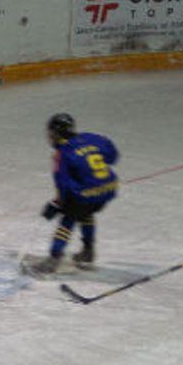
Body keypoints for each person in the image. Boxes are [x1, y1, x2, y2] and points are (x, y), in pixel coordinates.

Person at [31, 113, 119, 274]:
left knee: (68, 219)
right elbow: (113, 156)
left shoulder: (62, 153)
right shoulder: (92, 138)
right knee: (86, 212)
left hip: (88, 193)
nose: (49, 137)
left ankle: (53, 258)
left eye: (51, 133)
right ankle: (88, 251)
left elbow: (63, 185)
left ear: (56, 133)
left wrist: (56, 205)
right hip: (108, 188)